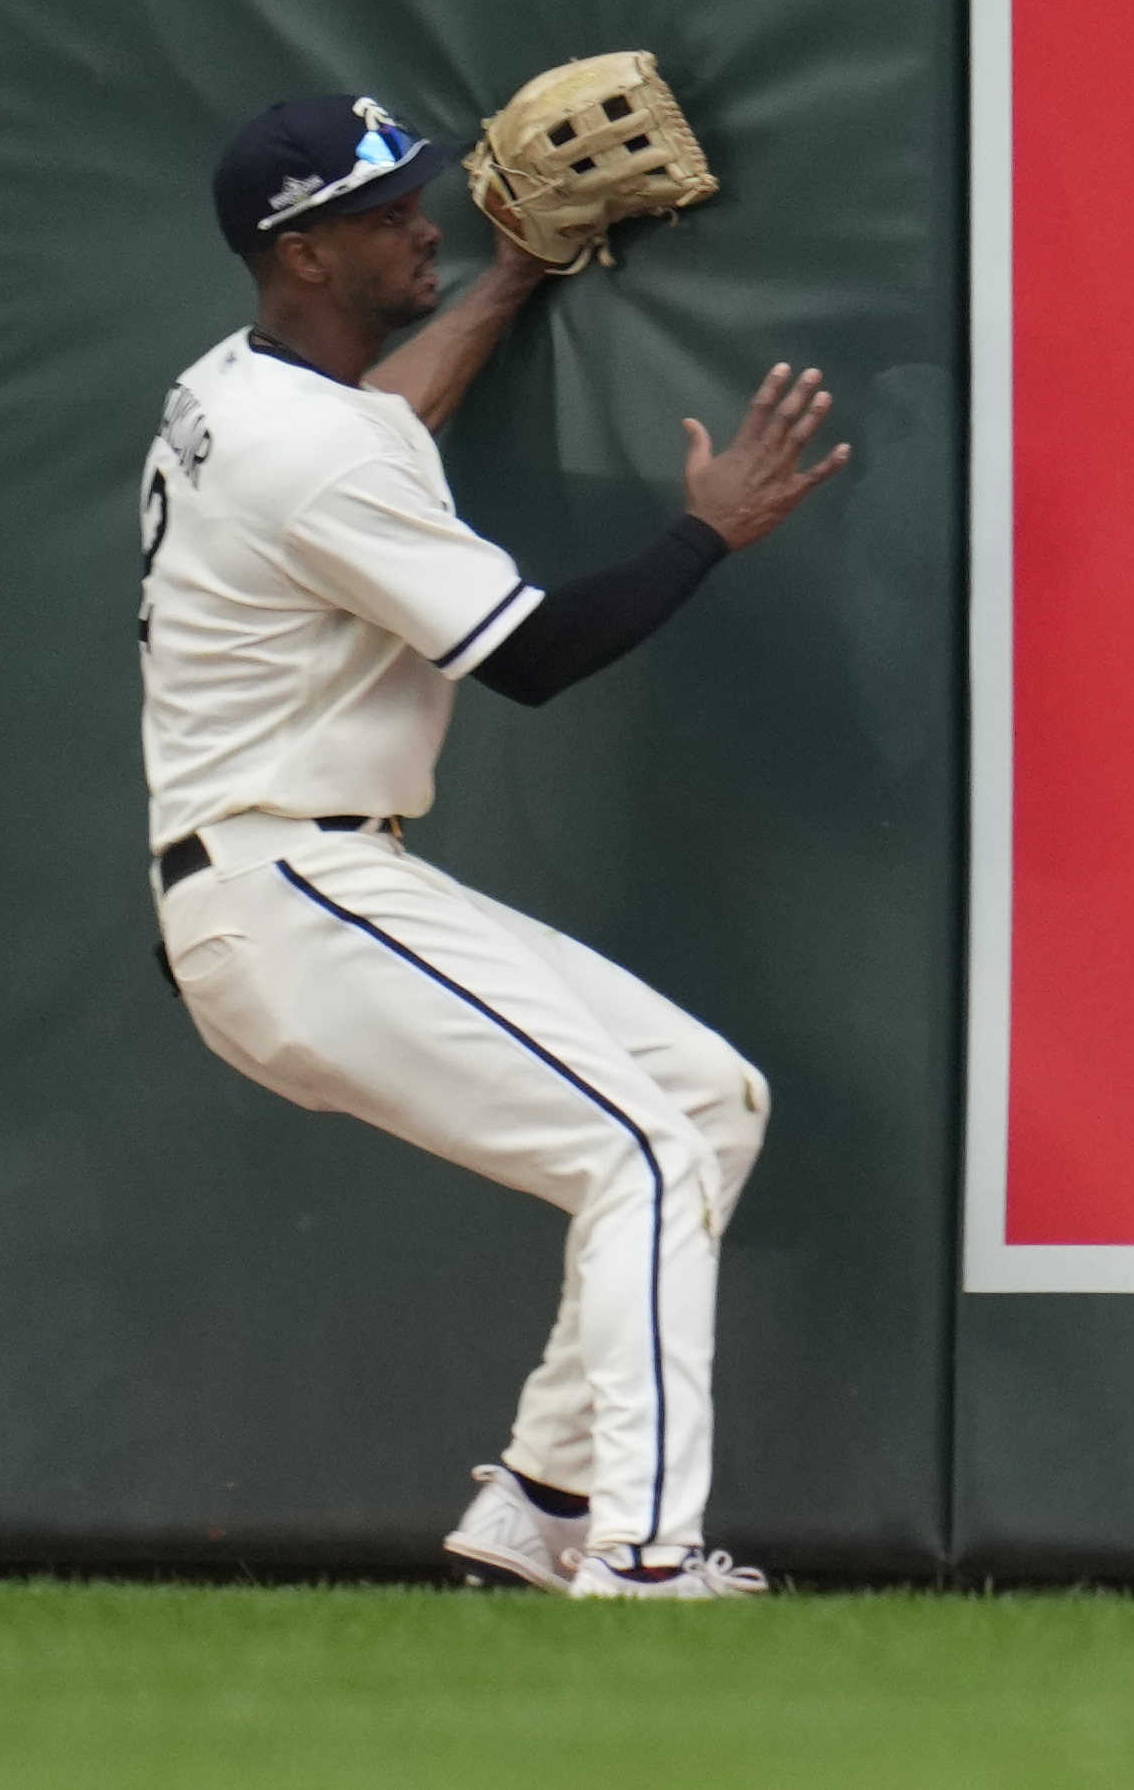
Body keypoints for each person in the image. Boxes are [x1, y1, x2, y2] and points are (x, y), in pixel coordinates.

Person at [137, 92, 848, 1594]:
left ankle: (542, 1498)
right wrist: (703, 530)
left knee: (703, 1104)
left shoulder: (245, 389)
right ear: (304, 254)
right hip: (292, 890)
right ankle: (646, 1563)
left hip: (306, 877)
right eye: (386, 215)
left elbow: (382, 419)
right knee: (642, 1150)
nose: (425, 229)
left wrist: (519, 276)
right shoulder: (302, 457)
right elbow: (523, 654)